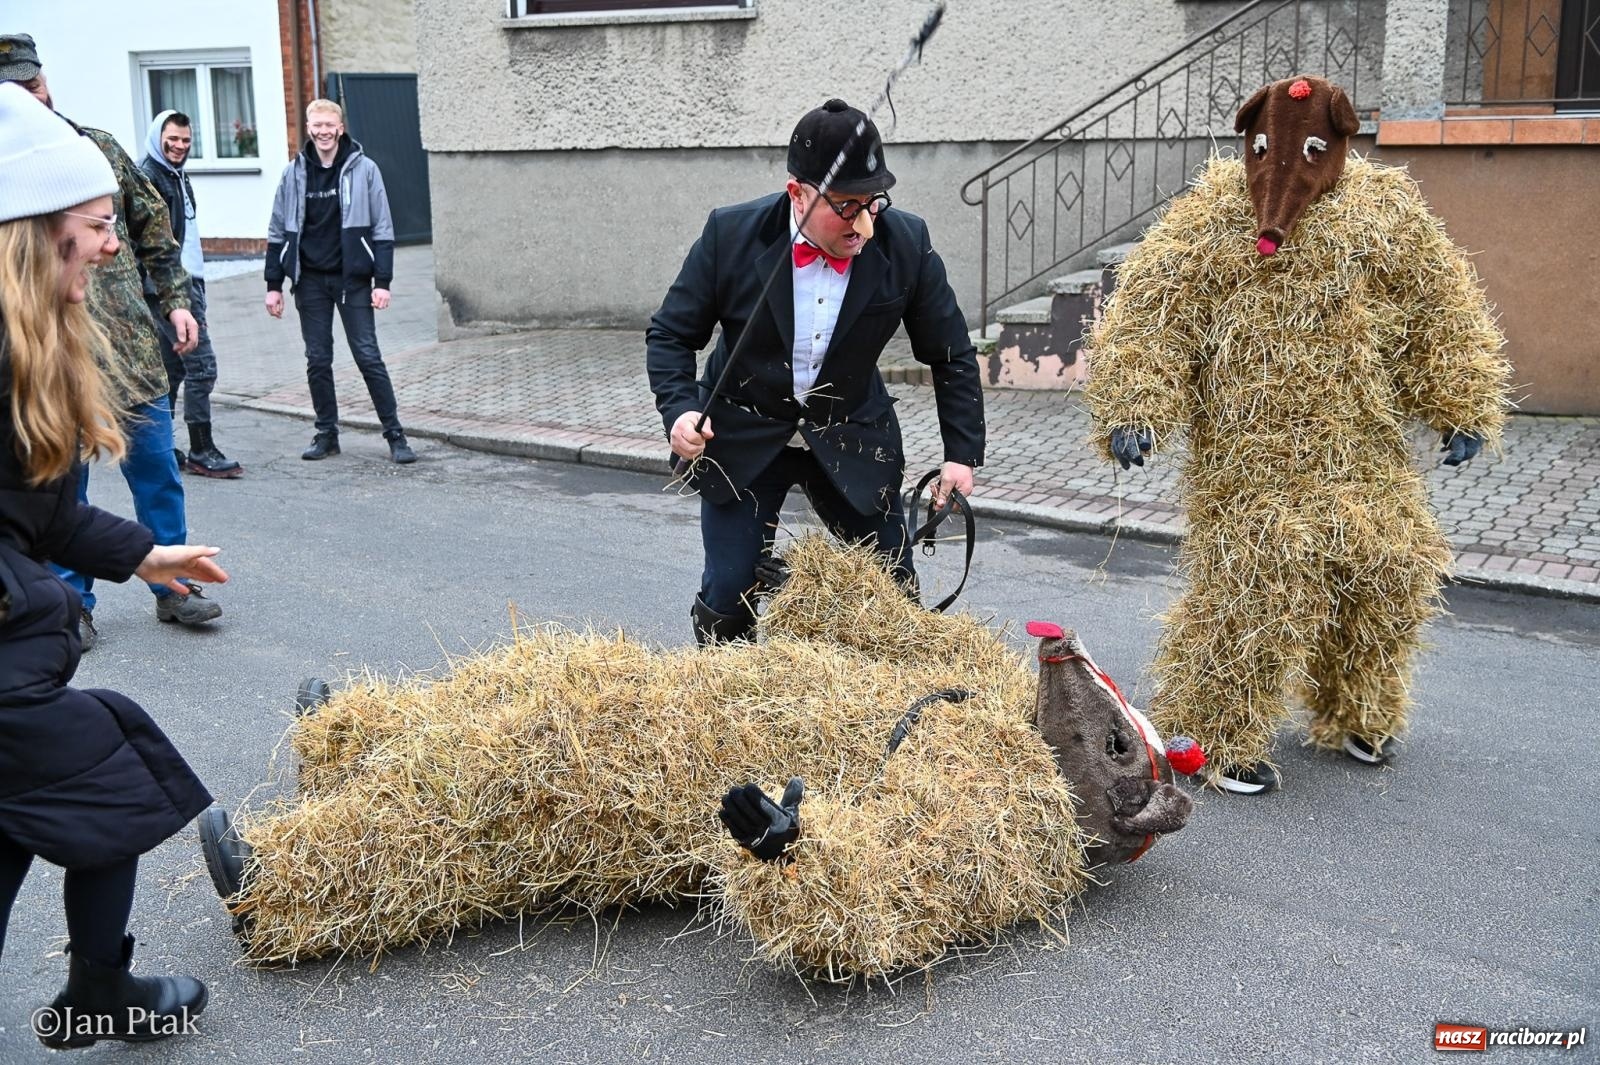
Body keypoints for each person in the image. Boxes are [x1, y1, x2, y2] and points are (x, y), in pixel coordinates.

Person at [0, 80, 226, 1048]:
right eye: (95, 227)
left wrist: (144, 555)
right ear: (32, 235)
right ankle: (101, 989)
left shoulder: (29, 350)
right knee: (113, 771)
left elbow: (45, 514)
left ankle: (100, 984)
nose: (110, 245)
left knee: (25, 816)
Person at [646, 98, 985, 644]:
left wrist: (961, 455)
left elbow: (951, 354)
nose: (864, 223)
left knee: (893, 596)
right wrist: (681, 412)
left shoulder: (907, 242)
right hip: (744, 435)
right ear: (797, 194)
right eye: (846, 206)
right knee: (729, 591)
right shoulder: (730, 234)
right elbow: (670, 334)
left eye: (873, 203)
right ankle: (727, 686)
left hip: (851, 435)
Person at [2, 33, 226, 646]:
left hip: (129, 355)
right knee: (57, 485)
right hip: (52, 362)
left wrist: (177, 301)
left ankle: (174, 586)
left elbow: (153, 225)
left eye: (33, 84)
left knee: (156, 470)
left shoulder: (95, 149)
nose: (29, 98)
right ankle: (69, 602)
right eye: (13, 90)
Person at [264, 98, 416, 464]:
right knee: (317, 360)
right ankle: (326, 434)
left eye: (329, 125)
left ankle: (395, 435)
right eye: (317, 125)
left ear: (340, 128)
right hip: (310, 281)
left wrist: (383, 281)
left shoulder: (365, 169)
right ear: (309, 128)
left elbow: (382, 228)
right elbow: (277, 231)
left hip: (353, 281)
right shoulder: (293, 173)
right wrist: (273, 285)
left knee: (368, 356)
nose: (323, 131)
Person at [139, 109, 243, 478]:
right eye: (172, 139)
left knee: (171, 369)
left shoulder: (176, 175)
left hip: (188, 283)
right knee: (202, 366)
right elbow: (149, 245)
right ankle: (201, 449)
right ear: (157, 138)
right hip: (172, 291)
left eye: (185, 140)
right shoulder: (151, 178)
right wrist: (172, 297)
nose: (180, 146)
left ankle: (159, 446)